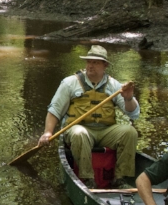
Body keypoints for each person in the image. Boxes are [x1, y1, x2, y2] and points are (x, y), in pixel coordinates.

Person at [38, 45, 140, 185]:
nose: (90, 65)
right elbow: (55, 110)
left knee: (129, 132)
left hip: (105, 131)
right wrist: (48, 132)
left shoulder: (114, 86)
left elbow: (133, 114)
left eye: (95, 62)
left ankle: (120, 178)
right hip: (79, 130)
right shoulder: (70, 83)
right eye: (89, 61)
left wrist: (128, 98)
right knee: (80, 133)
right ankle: (87, 180)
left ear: (105, 65)